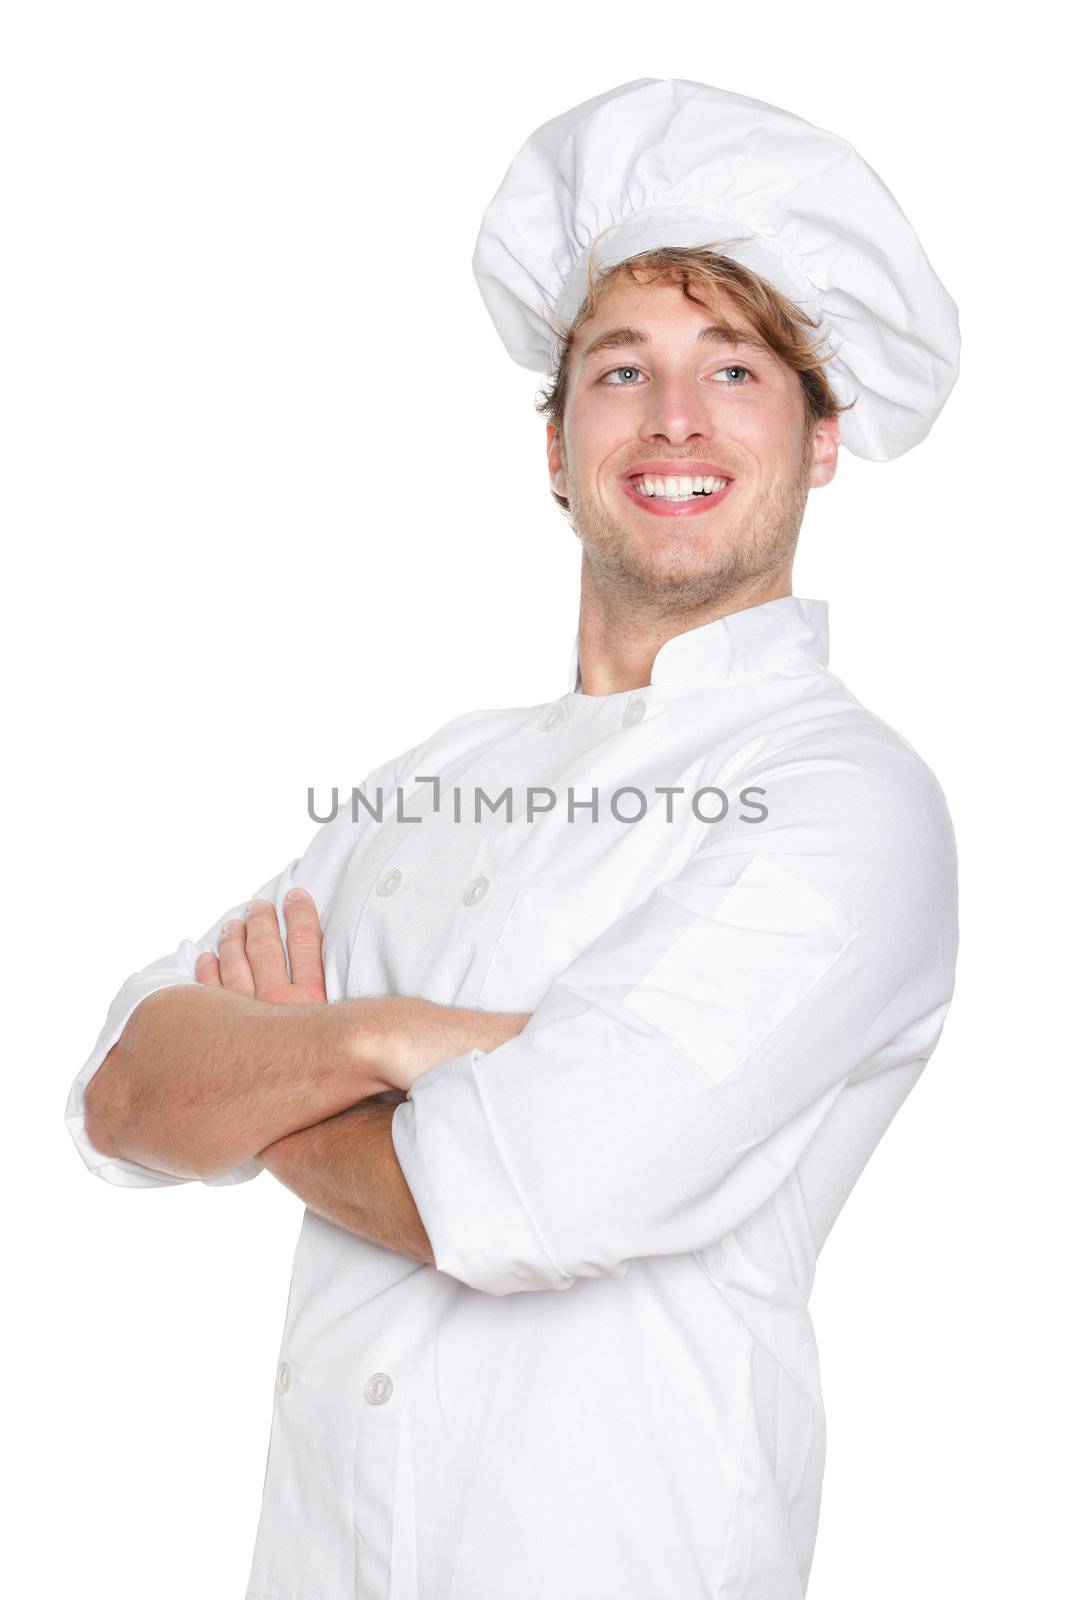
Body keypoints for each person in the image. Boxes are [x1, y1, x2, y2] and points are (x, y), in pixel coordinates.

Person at [65, 78, 960, 1600]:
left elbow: (530, 1197)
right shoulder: (428, 781)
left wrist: (277, 1080)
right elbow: (125, 1093)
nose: (675, 419)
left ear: (819, 443)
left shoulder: (847, 800)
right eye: (621, 370)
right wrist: (407, 1036)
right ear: (554, 447)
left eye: (736, 369)